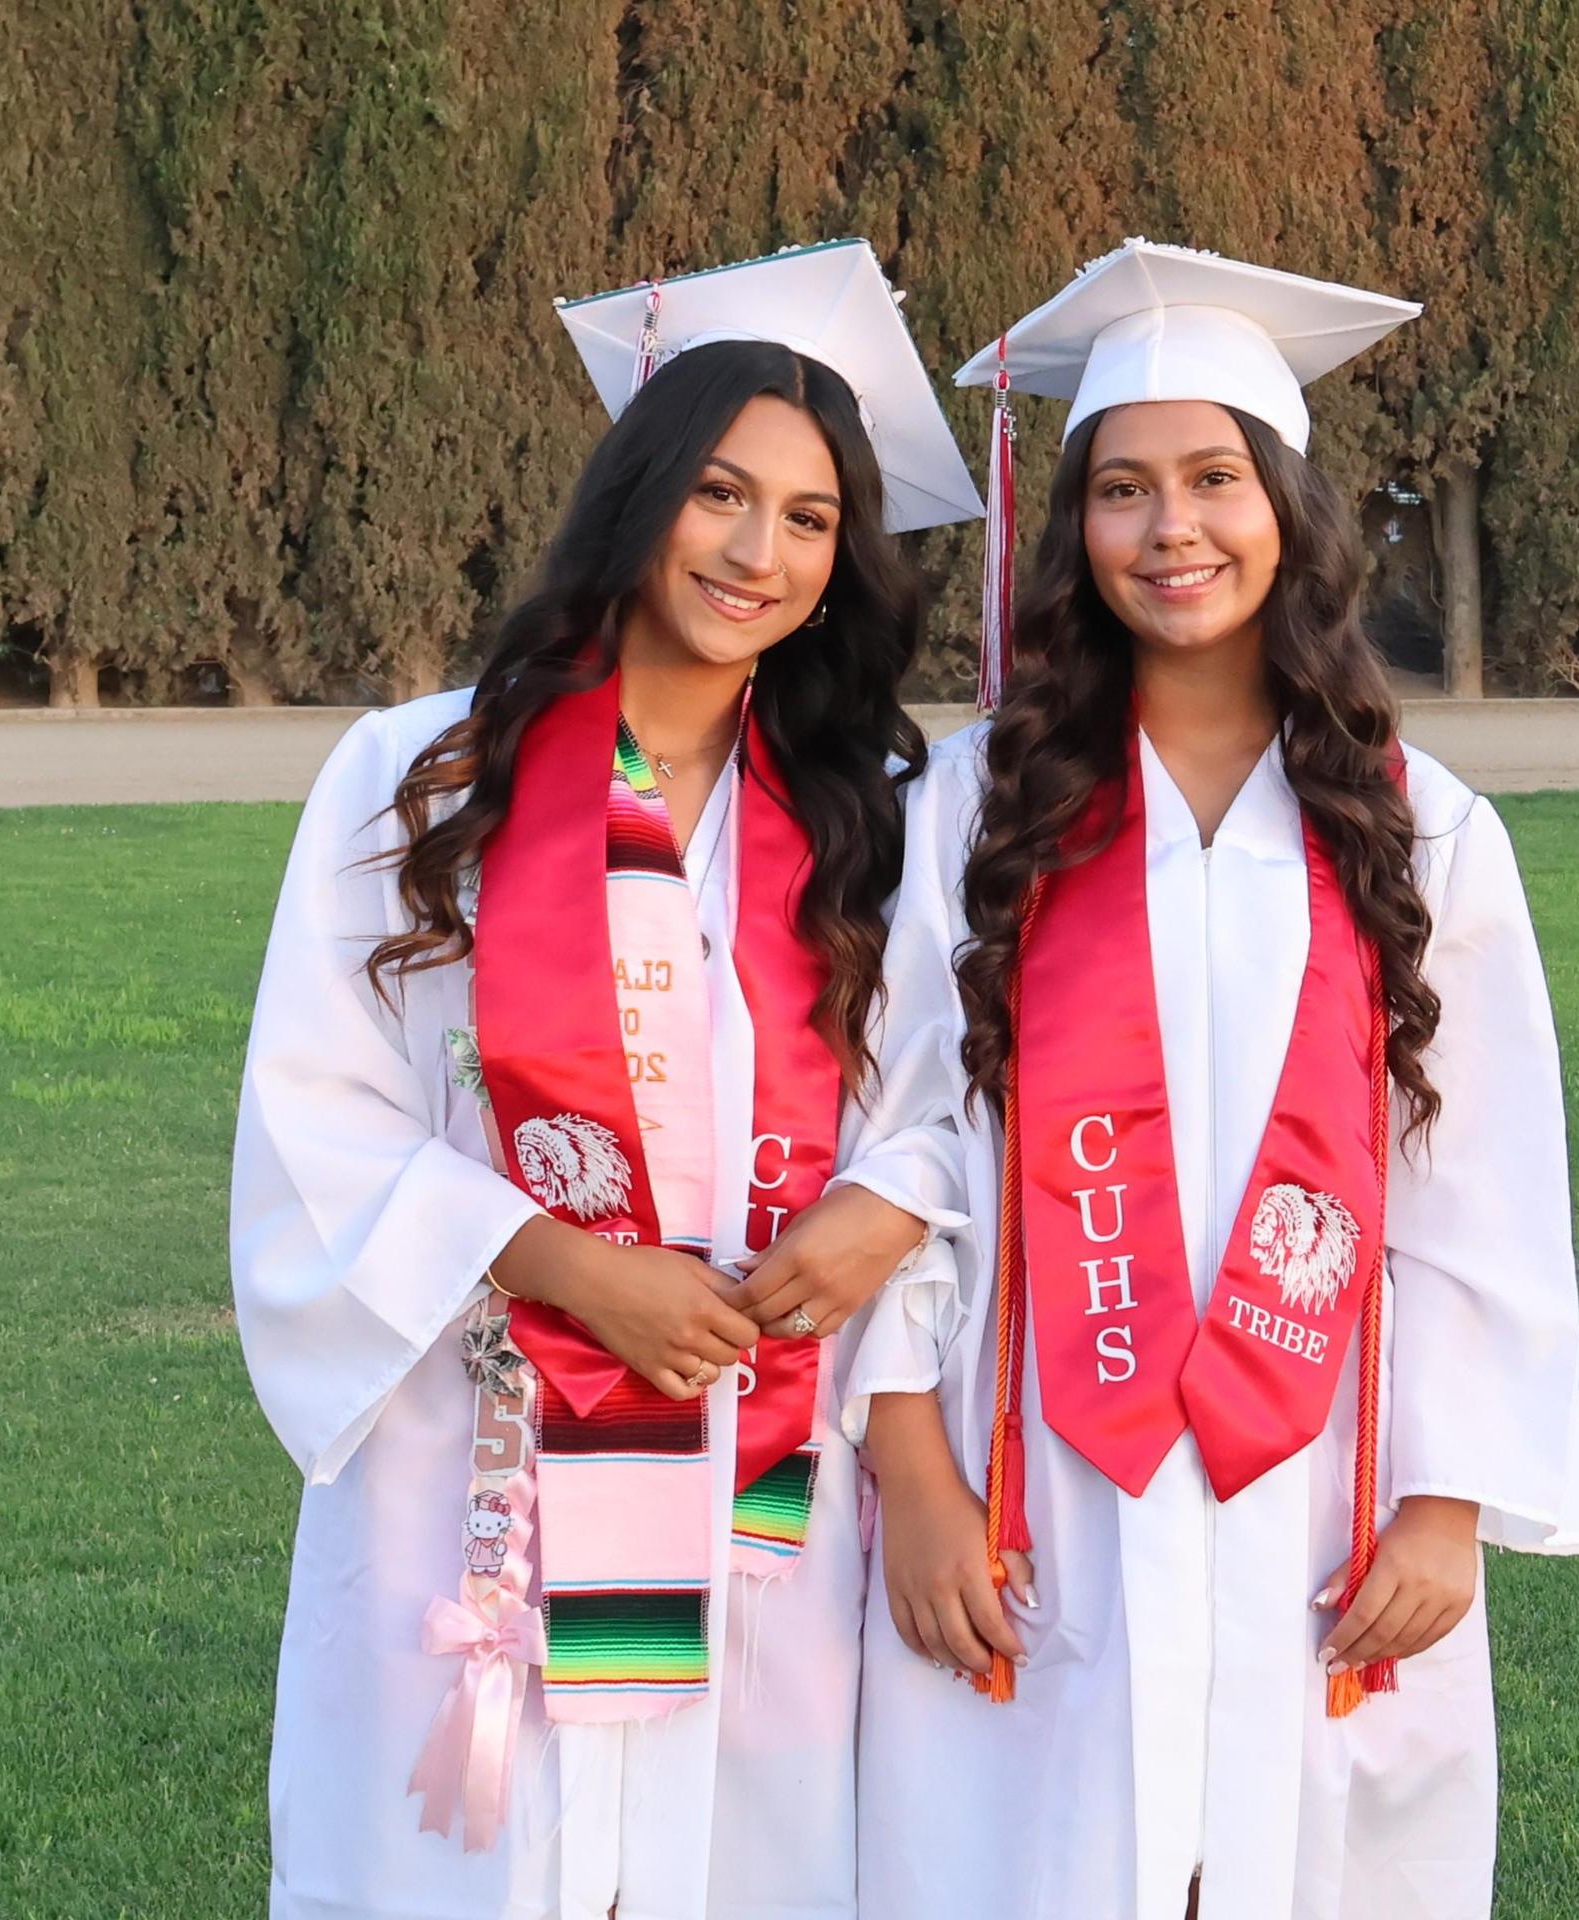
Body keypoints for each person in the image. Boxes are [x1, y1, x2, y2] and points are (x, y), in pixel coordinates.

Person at [834, 240, 1579, 1920]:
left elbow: (1482, 1187)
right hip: (1033, 1463)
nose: (1170, 529)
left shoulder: (1423, 830)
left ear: (1291, 511)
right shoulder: (981, 807)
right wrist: (911, 1475)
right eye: (1121, 490)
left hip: (1316, 1478)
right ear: (1075, 529)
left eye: (1213, 479)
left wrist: (1446, 1502)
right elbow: (896, 1146)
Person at [230, 240, 979, 1920]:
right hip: (483, 1453)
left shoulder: (868, 815)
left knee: (735, 1870)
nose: (759, 551)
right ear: (641, 493)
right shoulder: (425, 778)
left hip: (755, 1472)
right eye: (722, 492)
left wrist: (885, 1209)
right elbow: (318, 1106)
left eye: (810, 519)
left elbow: (940, 1104)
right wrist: (568, 1269)